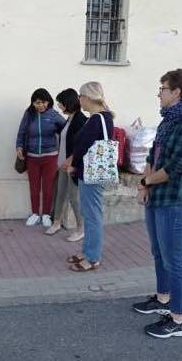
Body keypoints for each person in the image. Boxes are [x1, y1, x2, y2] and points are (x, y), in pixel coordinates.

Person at [132, 69, 182, 339]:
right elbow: (154, 153)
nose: (159, 94)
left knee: (175, 260)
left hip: (175, 201)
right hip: (158, 196)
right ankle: (162, 300)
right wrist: (147, 184)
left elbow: (174, 167)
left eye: (162, 89)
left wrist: (144, 183)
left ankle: (178, 319)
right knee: (158, 253)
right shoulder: (168, 122)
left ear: (177, 92)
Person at [66, 81, 114, 272]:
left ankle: (93, 257)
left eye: (80, 96)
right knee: (89, 214)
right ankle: (87, 251)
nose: (79, 100)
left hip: (92, 174)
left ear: (87, 97)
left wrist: (73, 164)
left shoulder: (97, 119)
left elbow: (83, 147)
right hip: (92, 173)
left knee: (92, 216)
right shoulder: (101, 117)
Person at [16, 88, 65, 227]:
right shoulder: (29, 115)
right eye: (37, 103)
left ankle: (46, 215)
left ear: (48, 102)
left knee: (48, 187)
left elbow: (66, 130)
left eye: (43, 102)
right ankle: (35, 214)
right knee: (34, 187)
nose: (40, 106)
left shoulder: (54, 115)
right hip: (32, 157)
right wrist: (19, 147)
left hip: (50, 157)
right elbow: (22, 132)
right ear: (32, 103)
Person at [45, 88, 87, 241]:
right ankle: (56, 223)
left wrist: (71, 161)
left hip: (72, 166)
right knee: (60, 194)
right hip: (62, 164)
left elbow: (81, 146)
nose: (60, 107)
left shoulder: (81, 120)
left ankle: (81, 228)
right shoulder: (69, 119)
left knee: (74, 198)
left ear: (68, 103)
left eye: (61, 104)